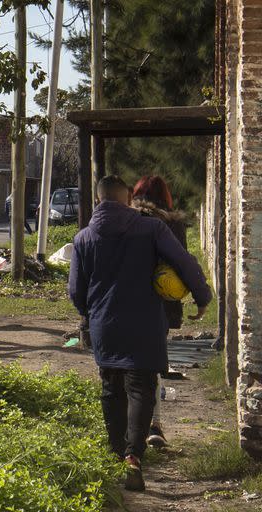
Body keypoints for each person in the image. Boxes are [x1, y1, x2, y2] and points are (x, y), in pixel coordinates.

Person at [68, 175, 211, 492]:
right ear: (127, 200)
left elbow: (76, 291)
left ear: (98, 201)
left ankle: (116, 454)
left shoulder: (83, 239)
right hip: (146, 324)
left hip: (105, 326)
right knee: (141, 389)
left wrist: (89, 314)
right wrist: (202, 298)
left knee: (111, 388)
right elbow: (184, 263)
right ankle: (133, 457)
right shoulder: (152, 229)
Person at [131, 175, 188, 450]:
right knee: (153, 365)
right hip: (160, 304)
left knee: (125, 366)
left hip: (125, 303)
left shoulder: (127, 221)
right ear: (166, 197)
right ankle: (155, 425)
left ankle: (129, 429)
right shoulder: (173, 224)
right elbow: (183, 263)